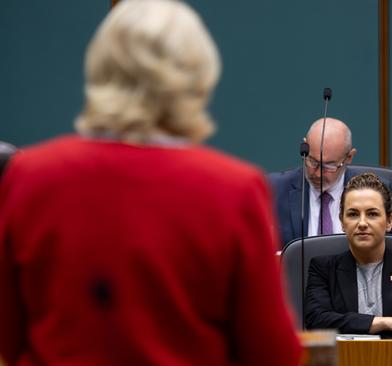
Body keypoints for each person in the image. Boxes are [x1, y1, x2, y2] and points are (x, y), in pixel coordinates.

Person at [0, 1, 300, 365]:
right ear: (199, 80)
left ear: (98, 71)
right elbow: (272, 353)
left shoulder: (29, 175)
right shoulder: (233, 189)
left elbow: (10, 335)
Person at [304, 173, 392, 339]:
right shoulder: (323, 268)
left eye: (372, 214)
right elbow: (317, 323)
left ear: (389, 221)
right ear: (342, 222)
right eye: (353, 214)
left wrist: (349, 328)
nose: (362, 223)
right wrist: (388, 323)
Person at [268, 118, 392, 246]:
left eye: (329, 166)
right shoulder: (274, 189)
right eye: (312, 161)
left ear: (349, 157)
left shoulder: (375, 191)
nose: (318, 173)